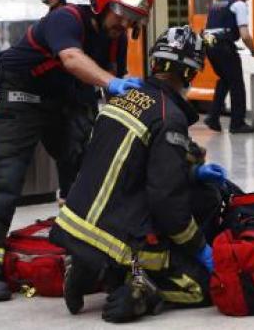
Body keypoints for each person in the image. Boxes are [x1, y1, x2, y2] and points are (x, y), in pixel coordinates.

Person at [0, 0, 152, 302]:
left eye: (133, 18)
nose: (124, 24)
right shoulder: (66, 19)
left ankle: (84, 253)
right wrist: (113, 82)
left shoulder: (114, 40)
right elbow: (72, 59)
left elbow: (111, 85)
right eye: (121, 13)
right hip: (19, 97)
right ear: (102, 3)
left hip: (62, 103)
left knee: (86, 172)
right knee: (5, 178)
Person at [51, 25, 221, 322]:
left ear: (154, 62)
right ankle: (143, 289)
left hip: (74, 225)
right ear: (190, 74)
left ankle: (90, 269)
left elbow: (130, 163)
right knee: (202, 285)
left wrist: (191, 172)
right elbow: (167, 202)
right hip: (116, 239)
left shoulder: (119, 100)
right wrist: (199, 248)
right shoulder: (169, 116)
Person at [203, 0, 254, 134]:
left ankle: (213, 117)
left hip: (209, 45)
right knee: (237, 84)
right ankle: (237, 124)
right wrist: (253, 50)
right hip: (224, 46)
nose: (246, 2)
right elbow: (245, 35)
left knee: (225, 80)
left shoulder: (217, 3)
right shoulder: (239, 4)